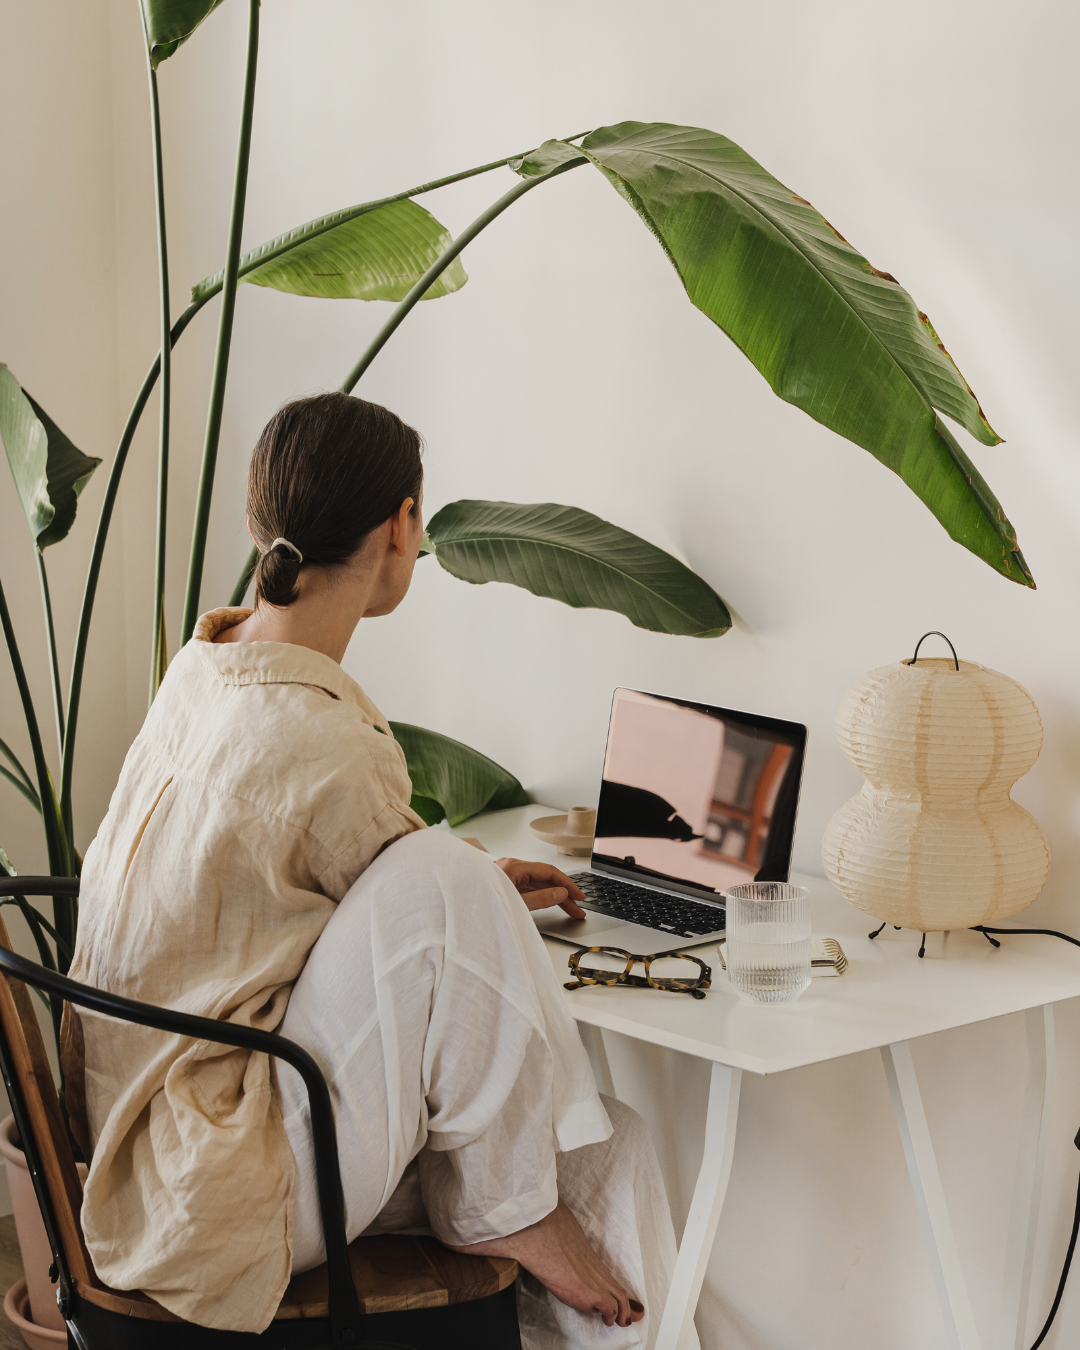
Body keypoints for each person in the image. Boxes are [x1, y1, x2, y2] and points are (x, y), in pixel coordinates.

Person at [62, 392, 697, 1348]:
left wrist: (472, 883)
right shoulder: (329, 739)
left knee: (615, 1141)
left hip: (137, 1138)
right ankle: (510, 1208)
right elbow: (403, 876)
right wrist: (464, 882)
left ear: (259, 516)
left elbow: (327, 872)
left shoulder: (204, 665)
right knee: (590, 1145)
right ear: (403, 526)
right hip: (226, 1181)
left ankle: (517, 1203)